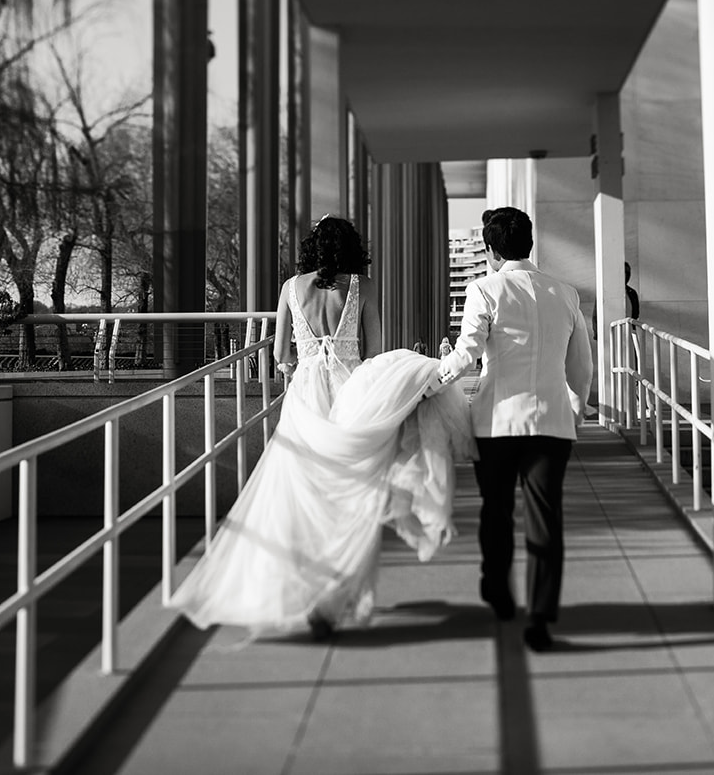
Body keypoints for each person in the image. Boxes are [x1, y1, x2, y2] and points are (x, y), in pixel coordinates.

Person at [165, 215, 472, 640]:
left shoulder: (291, 289)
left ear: (312, 248)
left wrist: (302, 363)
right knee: (353, 495)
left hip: (305, 398)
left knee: (300, 494)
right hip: (352, 392)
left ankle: (298, 588)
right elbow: (376, 352)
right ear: (351, 249)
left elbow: (278, 354)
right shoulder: (364, 286)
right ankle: (332, 599)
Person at [435, 206, 593, 652]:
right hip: (551, 423)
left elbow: (467, 354)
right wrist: (576, 408)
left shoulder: (483, 289)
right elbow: (581, 364)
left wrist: (434, 380)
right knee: (546, 519)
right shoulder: (565, 293)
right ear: (530, 242)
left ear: (489, 249)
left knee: (496, 510)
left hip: (497, 421)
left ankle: (499, 590)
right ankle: (540, 617)